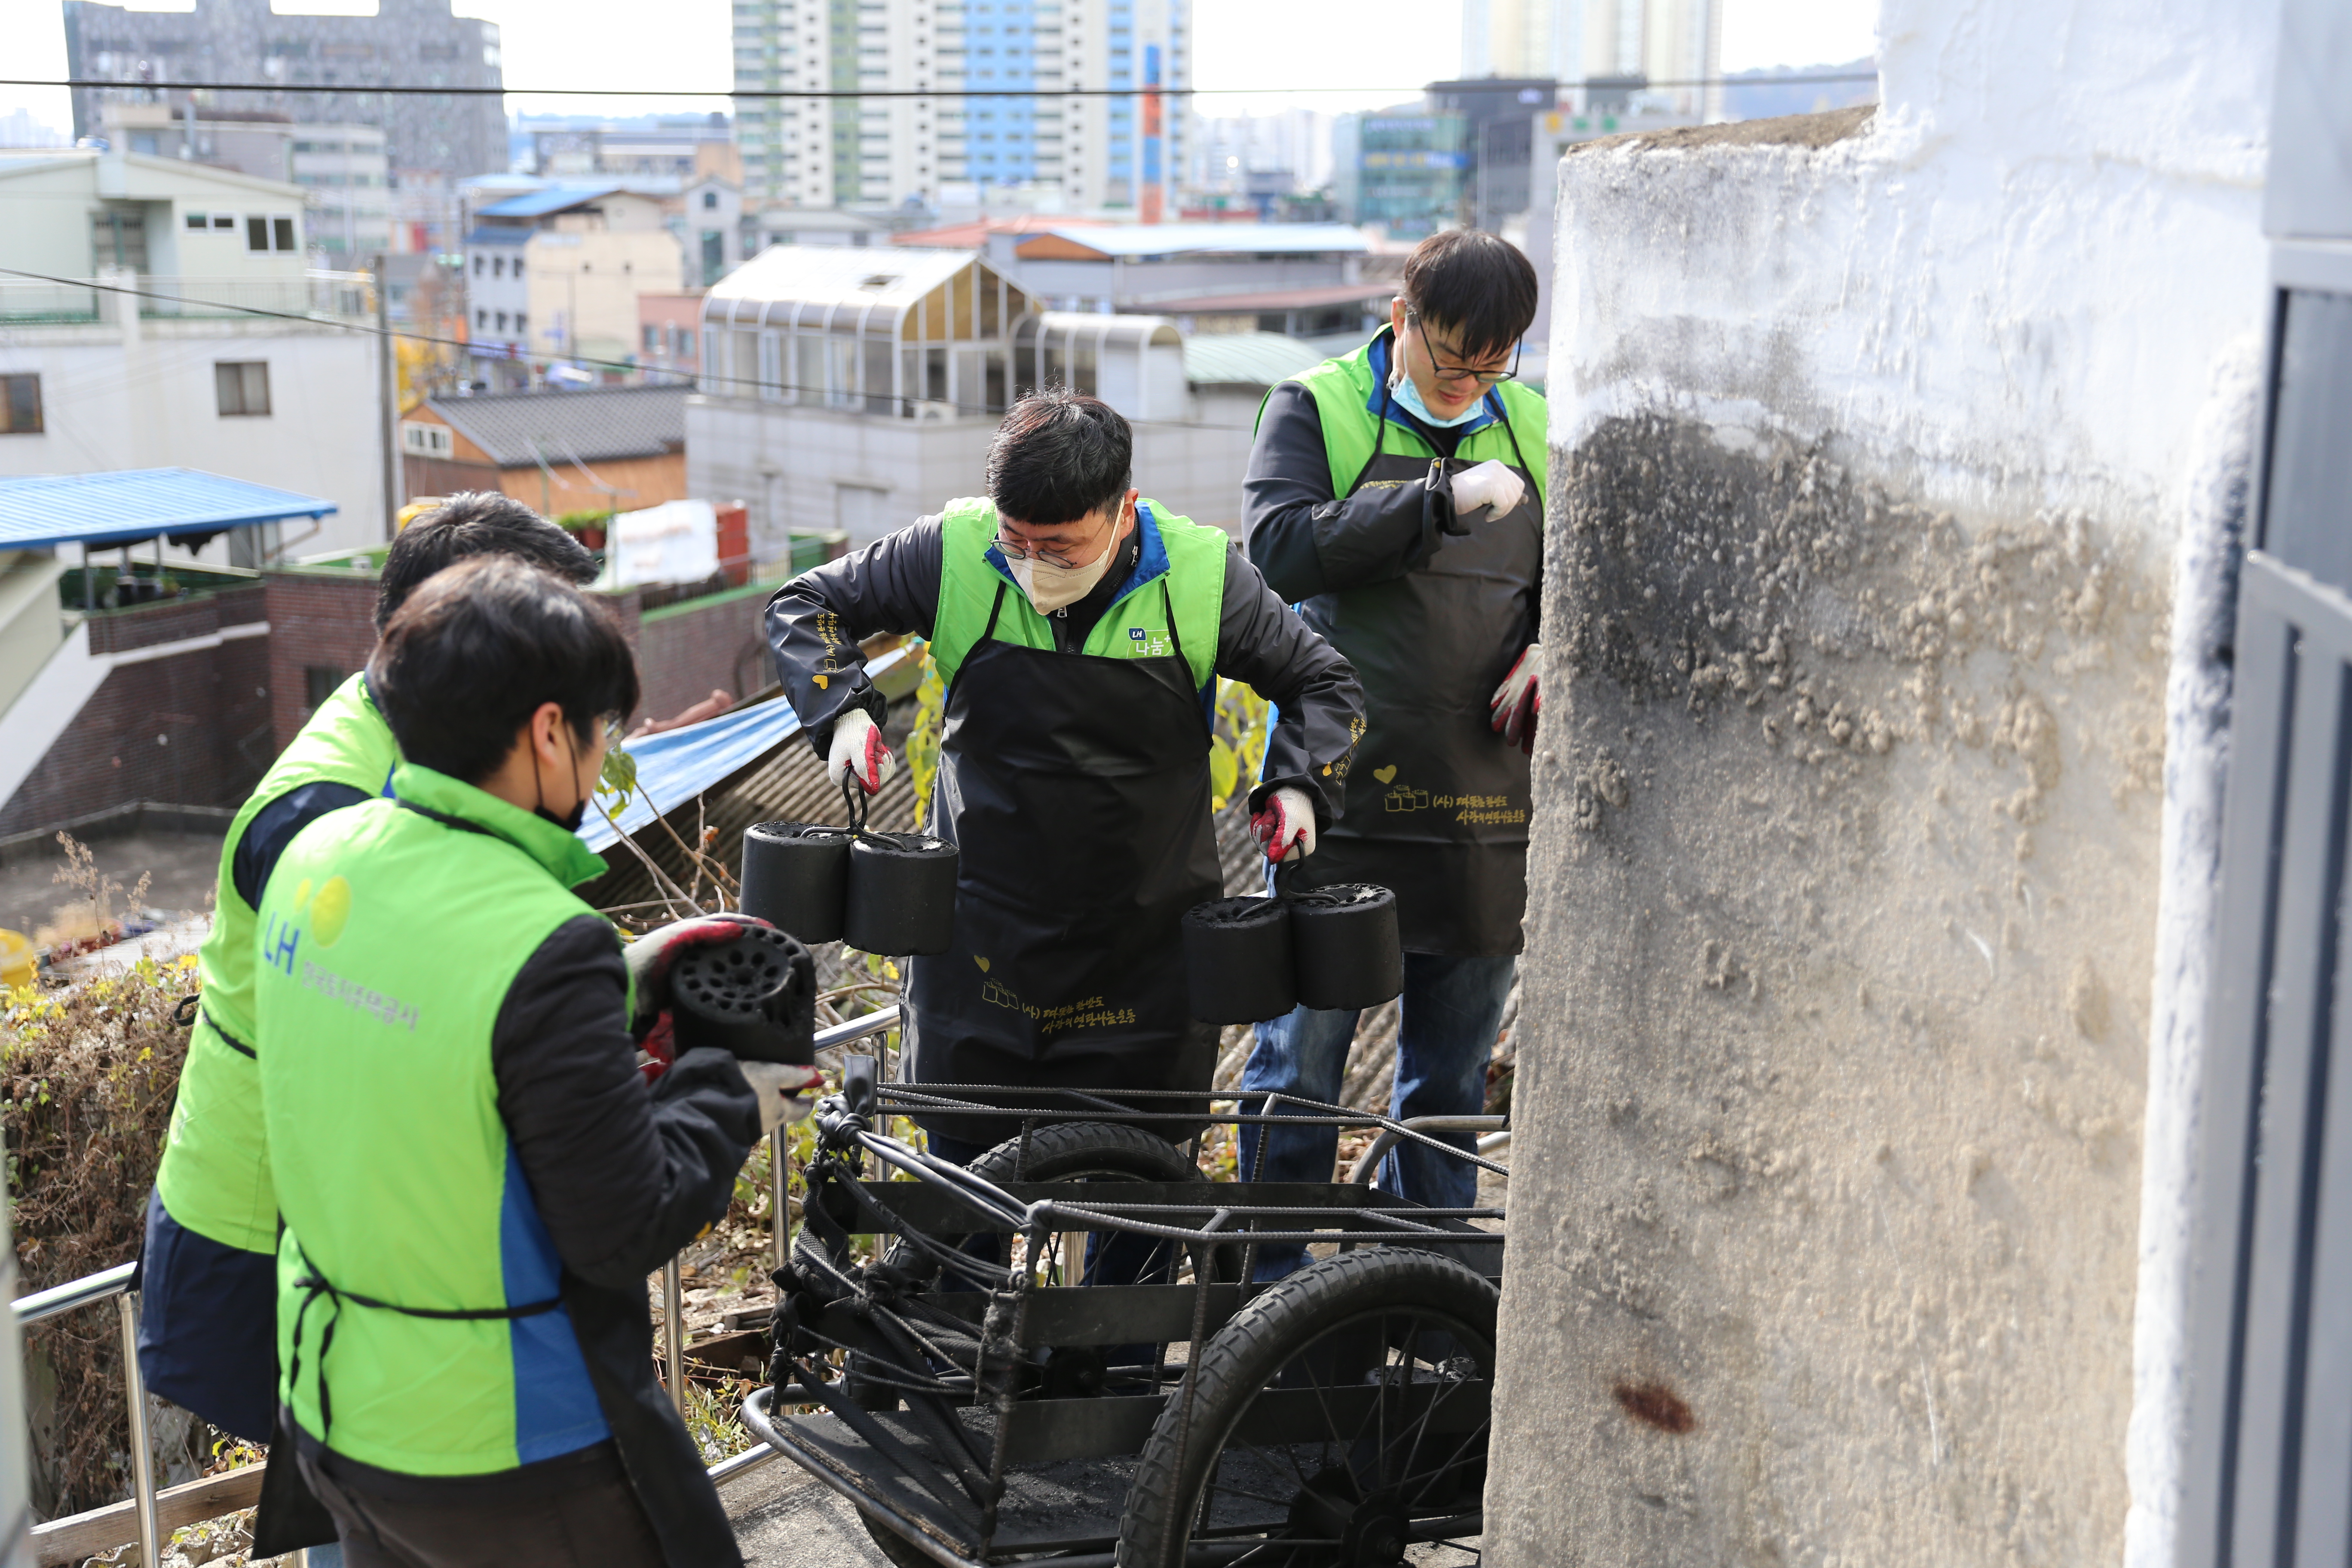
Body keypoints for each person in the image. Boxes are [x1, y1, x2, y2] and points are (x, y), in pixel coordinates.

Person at [252, 557, 814, 1568]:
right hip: (504, 1449)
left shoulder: (314, 859)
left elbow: (415, 1057)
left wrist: (610, 1002)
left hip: (332, 1412)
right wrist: (727, 1095)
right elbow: (620, 1226)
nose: (603, 761)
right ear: (549, 733)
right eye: (604, 734)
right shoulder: (542, 943)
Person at [765, 389, 1363, 1177]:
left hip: (1143, 952)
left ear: (1125, 511)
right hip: (980, 940)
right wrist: (841, 712)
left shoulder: (1204, 576)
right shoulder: (951, 552)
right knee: (960, 1204)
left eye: (1061, 548)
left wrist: (1296, 786)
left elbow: (1325, 684)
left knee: (1134, 1209)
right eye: (1017, 541)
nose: (1032, 565)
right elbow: (806, 605)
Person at [140, 493, 598, 1458]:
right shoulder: (318, 814)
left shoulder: (441, 752)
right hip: (275, 1225)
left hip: (349, 1209)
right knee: (351, 1492)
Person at [1235, 230, 1547, 1276]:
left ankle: (1425, 1297)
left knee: (1448, 1085)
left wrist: (1555, 638)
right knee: (1301, 1067)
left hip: (1485, 808)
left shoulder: (1534, 423)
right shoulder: (1315, 405)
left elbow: (1577, 567)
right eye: (1450, 359)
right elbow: (1278, 549)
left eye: (1490, 366)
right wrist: (1436, 501)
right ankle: (1268, 1305)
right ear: (1404, 320)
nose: (1466, 387)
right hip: (1340, 791)